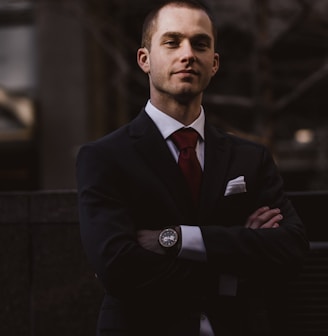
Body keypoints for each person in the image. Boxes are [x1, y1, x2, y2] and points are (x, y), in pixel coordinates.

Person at [76, 1, 309, 335]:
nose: (187, 54)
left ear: (214, 63)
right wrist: (234, 270)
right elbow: (117, 268)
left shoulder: (251, 157)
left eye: (200, 44)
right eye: (172, 42)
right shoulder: (104, 157)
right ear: (145, 59)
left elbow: (290, 250)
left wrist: (176, 240)